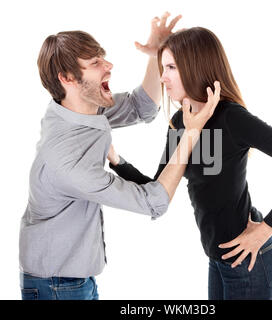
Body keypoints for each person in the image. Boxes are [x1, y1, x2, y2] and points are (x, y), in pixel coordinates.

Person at [107, 27, 272, 300]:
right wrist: (116, 160)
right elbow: (158, 188)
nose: (163, 77)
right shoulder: (180, 123)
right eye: (162, 67)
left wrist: (267, 228)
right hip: (217, 257)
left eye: (171, 67)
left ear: (196, 66)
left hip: (248, 258)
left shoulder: (232, 118)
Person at [19, 13, 221, 300]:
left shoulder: (76, 109)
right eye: (95, 63)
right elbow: (154, 201)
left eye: (103, 57)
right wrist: (191, 133)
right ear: (67, 79)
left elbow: (142, 107)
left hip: (72, 278)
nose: (109, 66)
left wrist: (154, 55)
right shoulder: (67, 162)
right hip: (56, 285)